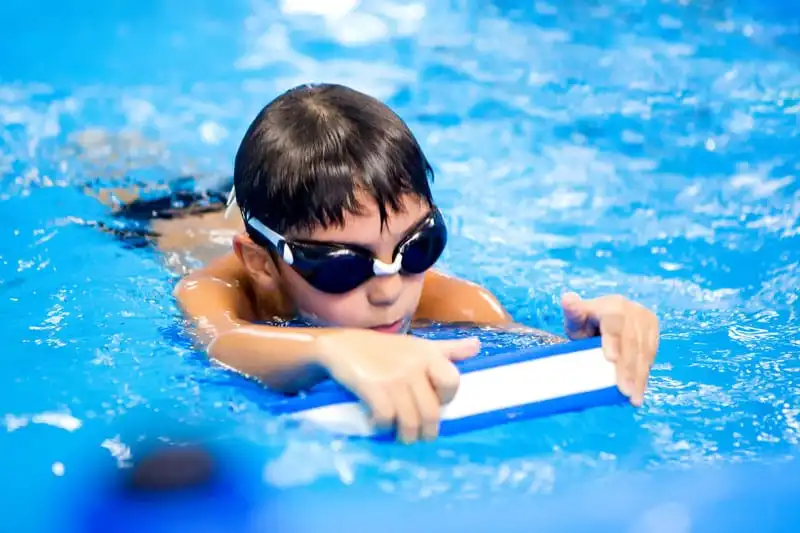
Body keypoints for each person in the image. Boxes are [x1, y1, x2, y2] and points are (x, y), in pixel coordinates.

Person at [113, 83, 660, 443]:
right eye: (341, 267)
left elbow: (535, 358)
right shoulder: (219, 287)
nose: (389, 289)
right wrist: (337, 345)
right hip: (155, 218)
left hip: (275, 212)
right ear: (261, 264)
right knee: (115, 161)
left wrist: (593, 338)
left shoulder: (460, 302)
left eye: (417, 246)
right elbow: (220, 343)